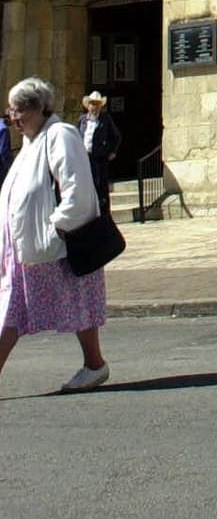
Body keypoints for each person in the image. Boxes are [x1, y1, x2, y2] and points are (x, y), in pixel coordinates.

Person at [0, 77, 109, 394]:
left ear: (37, 109)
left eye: (18, 110)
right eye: (11, 110)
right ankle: (94, 364)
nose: (13, 117)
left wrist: (57, 227)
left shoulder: (60, 135)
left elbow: (76, 188)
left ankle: (94, 364)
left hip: (55, 244)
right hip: (30, 247)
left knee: (13, 312)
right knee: (74, 302)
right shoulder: (33, 141)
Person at [77, 92, 122, 214]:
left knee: (100, 185)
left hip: (100, 158)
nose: (94, 107)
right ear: (88, 106)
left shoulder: (105, 119)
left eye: (97, 104)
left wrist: (113, 151)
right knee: (86, 185)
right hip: (85, 157)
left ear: (100, 106)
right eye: (92, 104)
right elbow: (77, 136)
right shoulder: (82, 120)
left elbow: (116, 136)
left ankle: (103, 212)